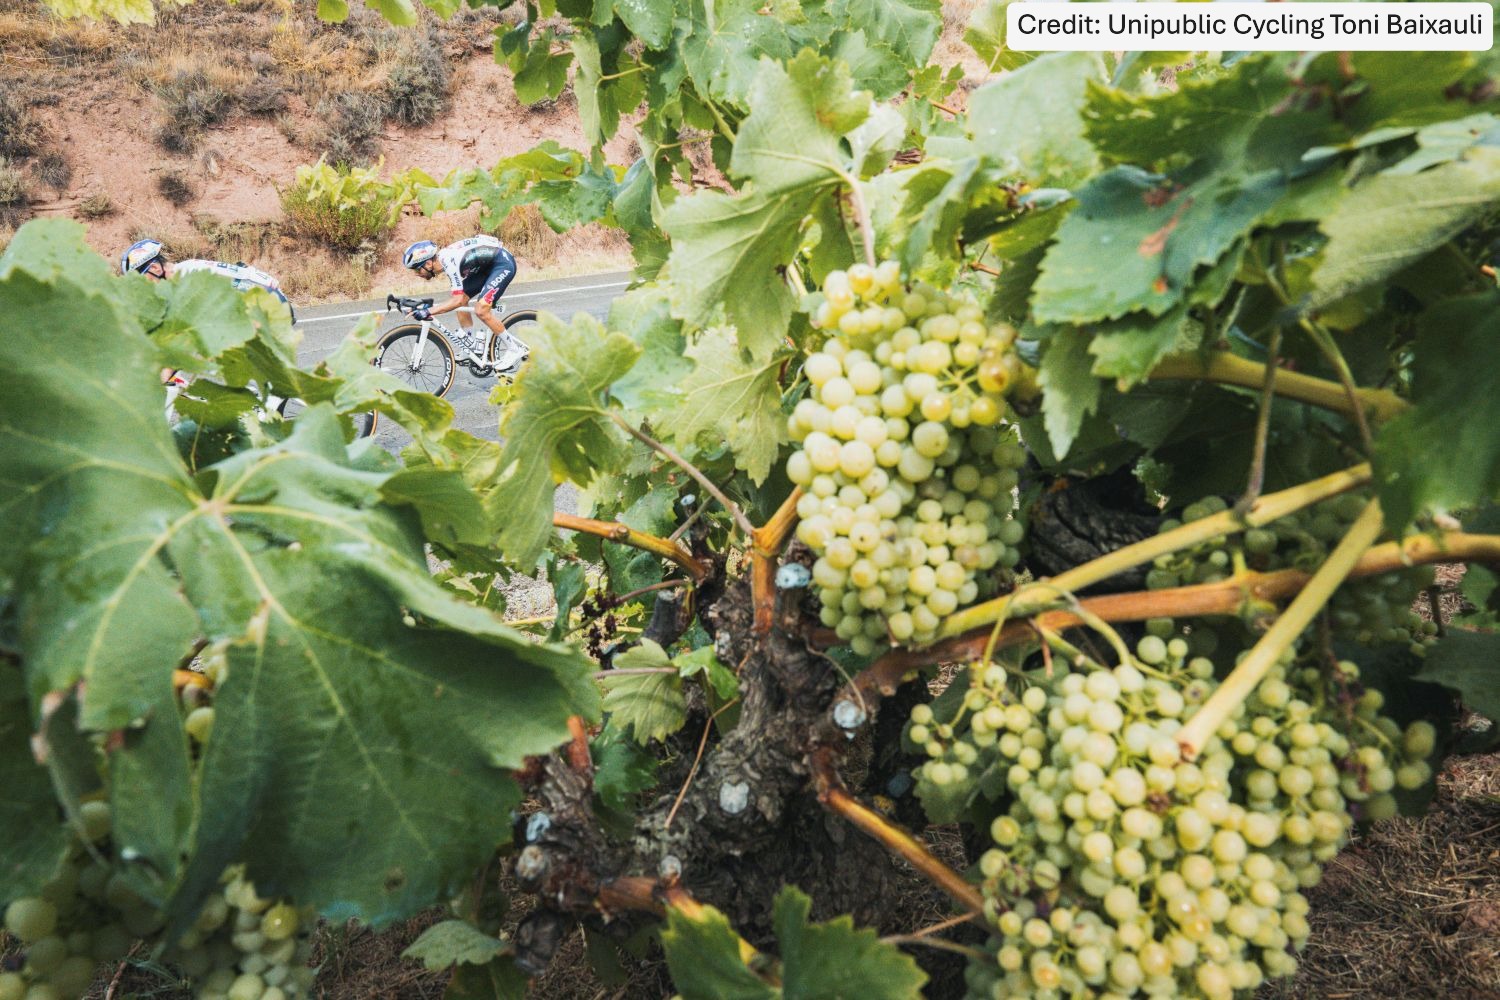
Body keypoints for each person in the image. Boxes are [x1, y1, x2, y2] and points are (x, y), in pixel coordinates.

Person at [401, 235, 528, 375]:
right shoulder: (445, 261)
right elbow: (459, 298)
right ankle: (470, 348)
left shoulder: (449, 262)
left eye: (418, 270)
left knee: (481, 310)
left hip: (502, 264)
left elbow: (458, 301)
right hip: (485, 268)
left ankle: (514, 349)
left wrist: (429, 311)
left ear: (428, 264)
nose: (417, 274)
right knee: (459, 300)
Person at [119, 239, 295, 323]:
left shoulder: (185, 278)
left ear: (155, 269)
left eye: (142, 280)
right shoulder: (183, 271)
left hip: (269, 304)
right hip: (266, 298)